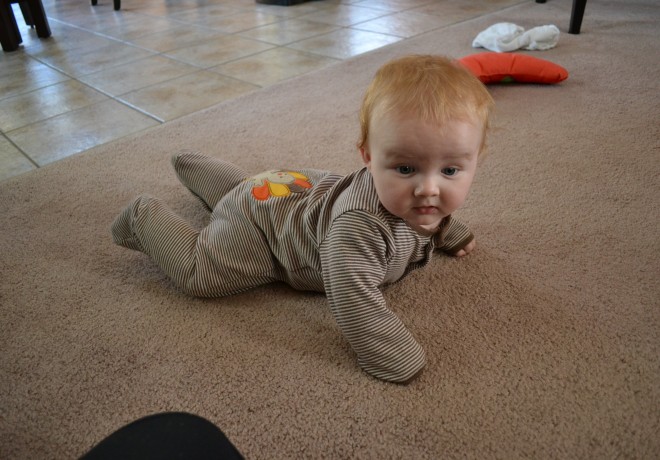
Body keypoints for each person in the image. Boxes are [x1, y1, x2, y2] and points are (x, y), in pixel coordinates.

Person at [111, 55, 494, 384]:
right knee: (203, 273)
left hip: (286, 188)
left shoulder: (418, 198)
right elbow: (353, 297)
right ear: (367, 156)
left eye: (450, 171)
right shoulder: (355, 231)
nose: (428, 189)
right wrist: (392, 354)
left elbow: (430, 217)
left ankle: (194, 167)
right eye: (406, 167)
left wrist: (449, 230)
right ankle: (145, 216)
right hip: (263, 232)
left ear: (475, 159)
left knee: (253, 189)